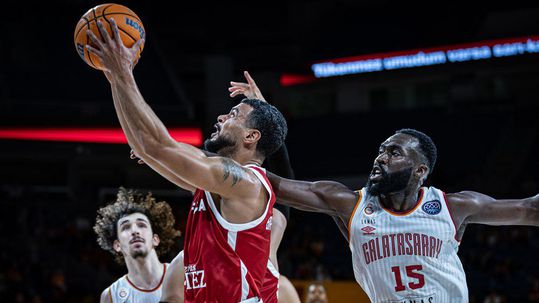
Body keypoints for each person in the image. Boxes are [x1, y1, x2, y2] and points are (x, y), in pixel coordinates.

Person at [231, 74, 539, 302]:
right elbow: (276, 184)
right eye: (381, 150)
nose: (381, 158)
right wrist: (263, 118)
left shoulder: (452, 206)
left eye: (394, 153)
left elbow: (529, 209)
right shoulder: (350, 204)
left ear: (420, 171)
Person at [86, 20, 288, 303]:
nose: (221, 117)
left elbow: (157, 145)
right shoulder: (215, 186)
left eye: (233, 115)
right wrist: (114, 77)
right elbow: (146, 148)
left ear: (251, 136)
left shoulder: (244, 182)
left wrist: (123, 71)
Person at [94, 188, 181, 303]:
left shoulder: (180, 273)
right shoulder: (111, 296)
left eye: (141, 225)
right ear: (117, 245)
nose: (135, 231)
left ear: (155, 239)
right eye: (125, 227)